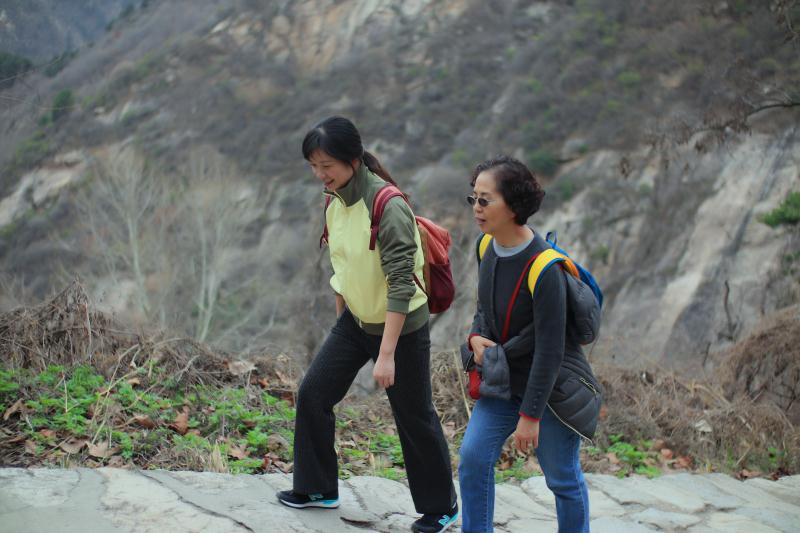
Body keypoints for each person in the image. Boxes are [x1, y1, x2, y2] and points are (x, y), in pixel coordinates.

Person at [276, 116, 459, 533]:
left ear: (353, 161)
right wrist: (345, 321)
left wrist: (386, 354)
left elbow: (401, 283)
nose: (319, 175)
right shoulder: (334, 200)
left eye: (326, 166)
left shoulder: (388, 207)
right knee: (314, 394)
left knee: (413, 415)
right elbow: (341, 263)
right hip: (357, 320)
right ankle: (317, 488)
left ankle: (442, 506)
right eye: (313, 166)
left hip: (401, 328)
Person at [458, 156, 593, 533]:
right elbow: (484, 309)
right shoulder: (486, 246)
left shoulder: (544, 268)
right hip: (505, 379)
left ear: (514, 205)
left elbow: (550, 350)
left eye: (485, 200)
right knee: (473, 459)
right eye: (473, 198)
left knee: (561, 477)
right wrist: (475, 337)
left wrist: (531, 416)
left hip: (551, 390)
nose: (476, 208)